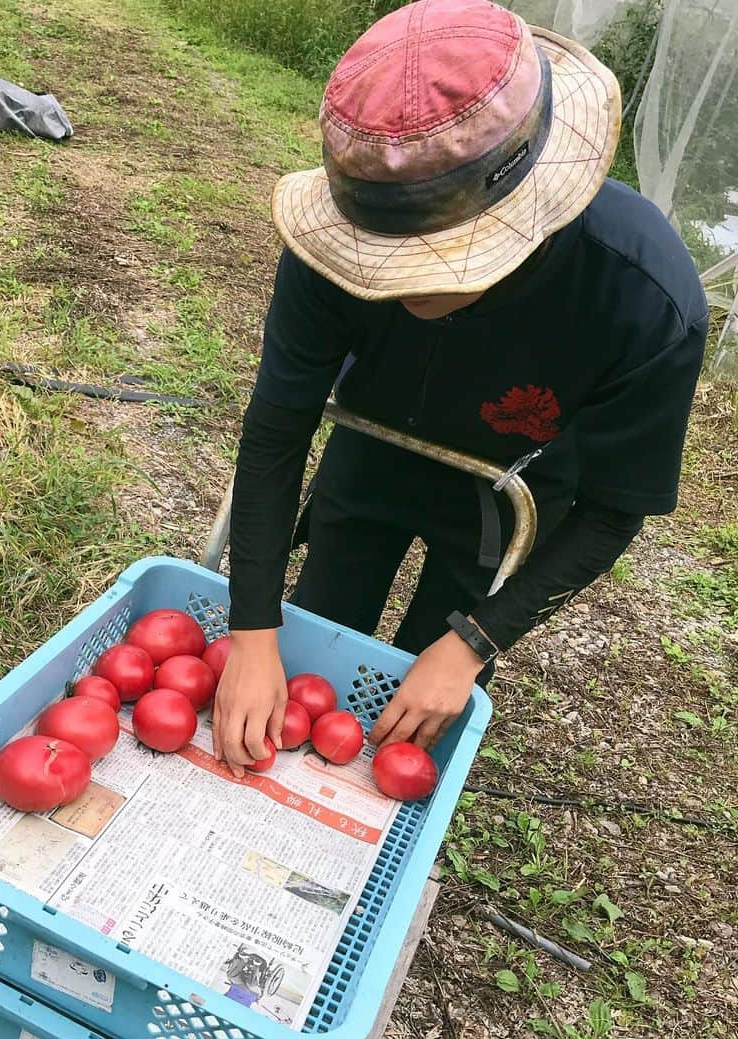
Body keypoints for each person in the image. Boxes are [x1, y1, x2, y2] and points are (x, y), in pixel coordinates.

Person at [212, 0, 707, 778]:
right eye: (381, 260)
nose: (405, 288)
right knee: (315, 636)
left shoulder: (644, 299)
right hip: (371, 445)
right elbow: (277, 429)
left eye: (436, 262)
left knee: (421, 699)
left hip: (512, 487)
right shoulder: (331, 243)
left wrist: (476, 641)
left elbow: (613, 513)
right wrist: (251, 631)